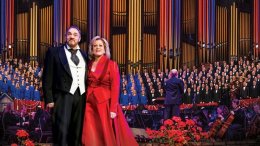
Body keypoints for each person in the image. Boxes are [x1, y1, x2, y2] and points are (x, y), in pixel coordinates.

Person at [81, 36, 138, 146]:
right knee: (89, 133)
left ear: (105, 48)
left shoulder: (111, 64)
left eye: (100, 45)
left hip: (105, 104)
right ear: (91, 48)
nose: (97, 47)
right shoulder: (88, 64)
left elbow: (115, 87)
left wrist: (113, 109)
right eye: (95, 46)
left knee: (105, 134)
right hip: (89, 103)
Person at [42, 26, 88, 146]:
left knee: (77, 131)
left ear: (79, 38)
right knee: (61, 132)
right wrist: (49, 99)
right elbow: (47, 77)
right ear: (66, 36)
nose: (72, 36)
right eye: (69, 34)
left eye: (75, 34)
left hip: (81, 96)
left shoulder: (85, 55)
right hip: (62, 96)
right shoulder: (54, 52)